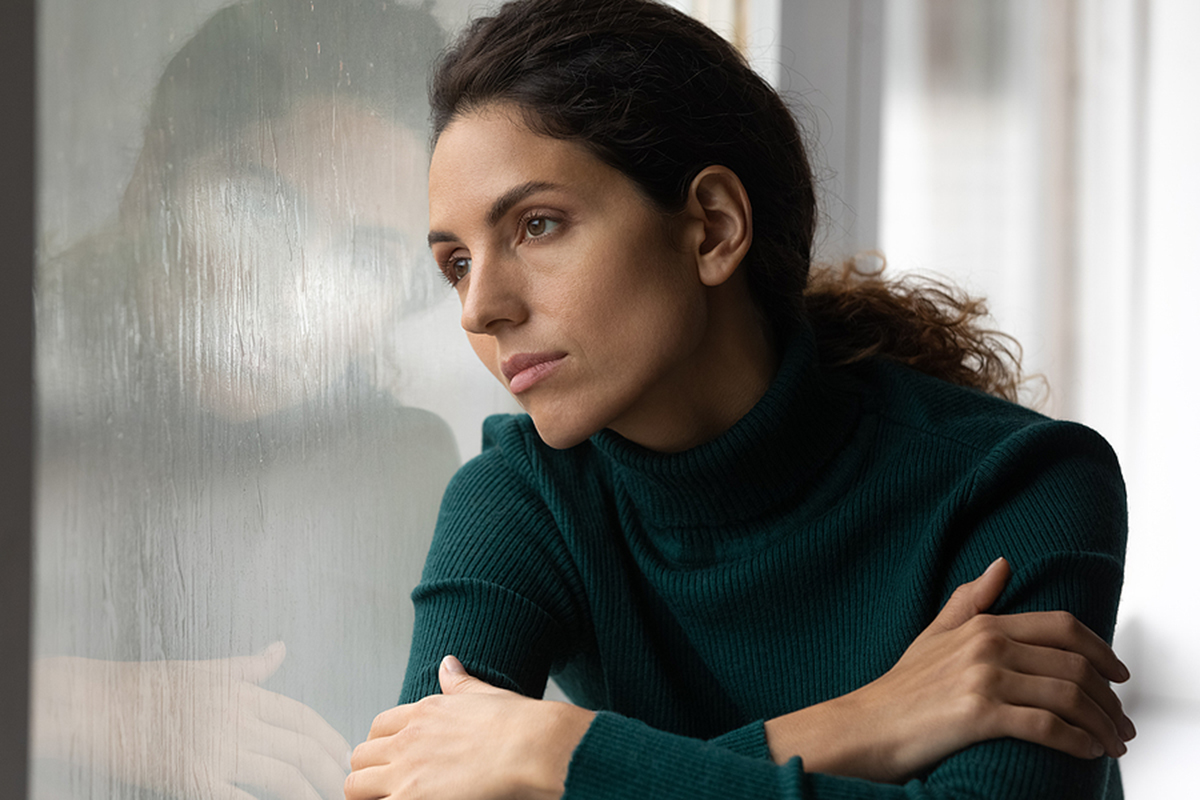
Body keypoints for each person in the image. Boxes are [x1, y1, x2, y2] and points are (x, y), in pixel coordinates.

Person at [344, 0, 1132, 798]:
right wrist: (866, 722)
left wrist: (554, 757)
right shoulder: (527, 495)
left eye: (537, 225)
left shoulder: (1021, 481)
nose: (480, 309)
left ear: (713, 228)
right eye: (457, 264)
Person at [31, 2, 458, 798]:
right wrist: (79, 708)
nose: (295, 299)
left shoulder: (404, 471)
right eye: (259, 210)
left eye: (367, 258)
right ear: (156, 179)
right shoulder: (42, 380)